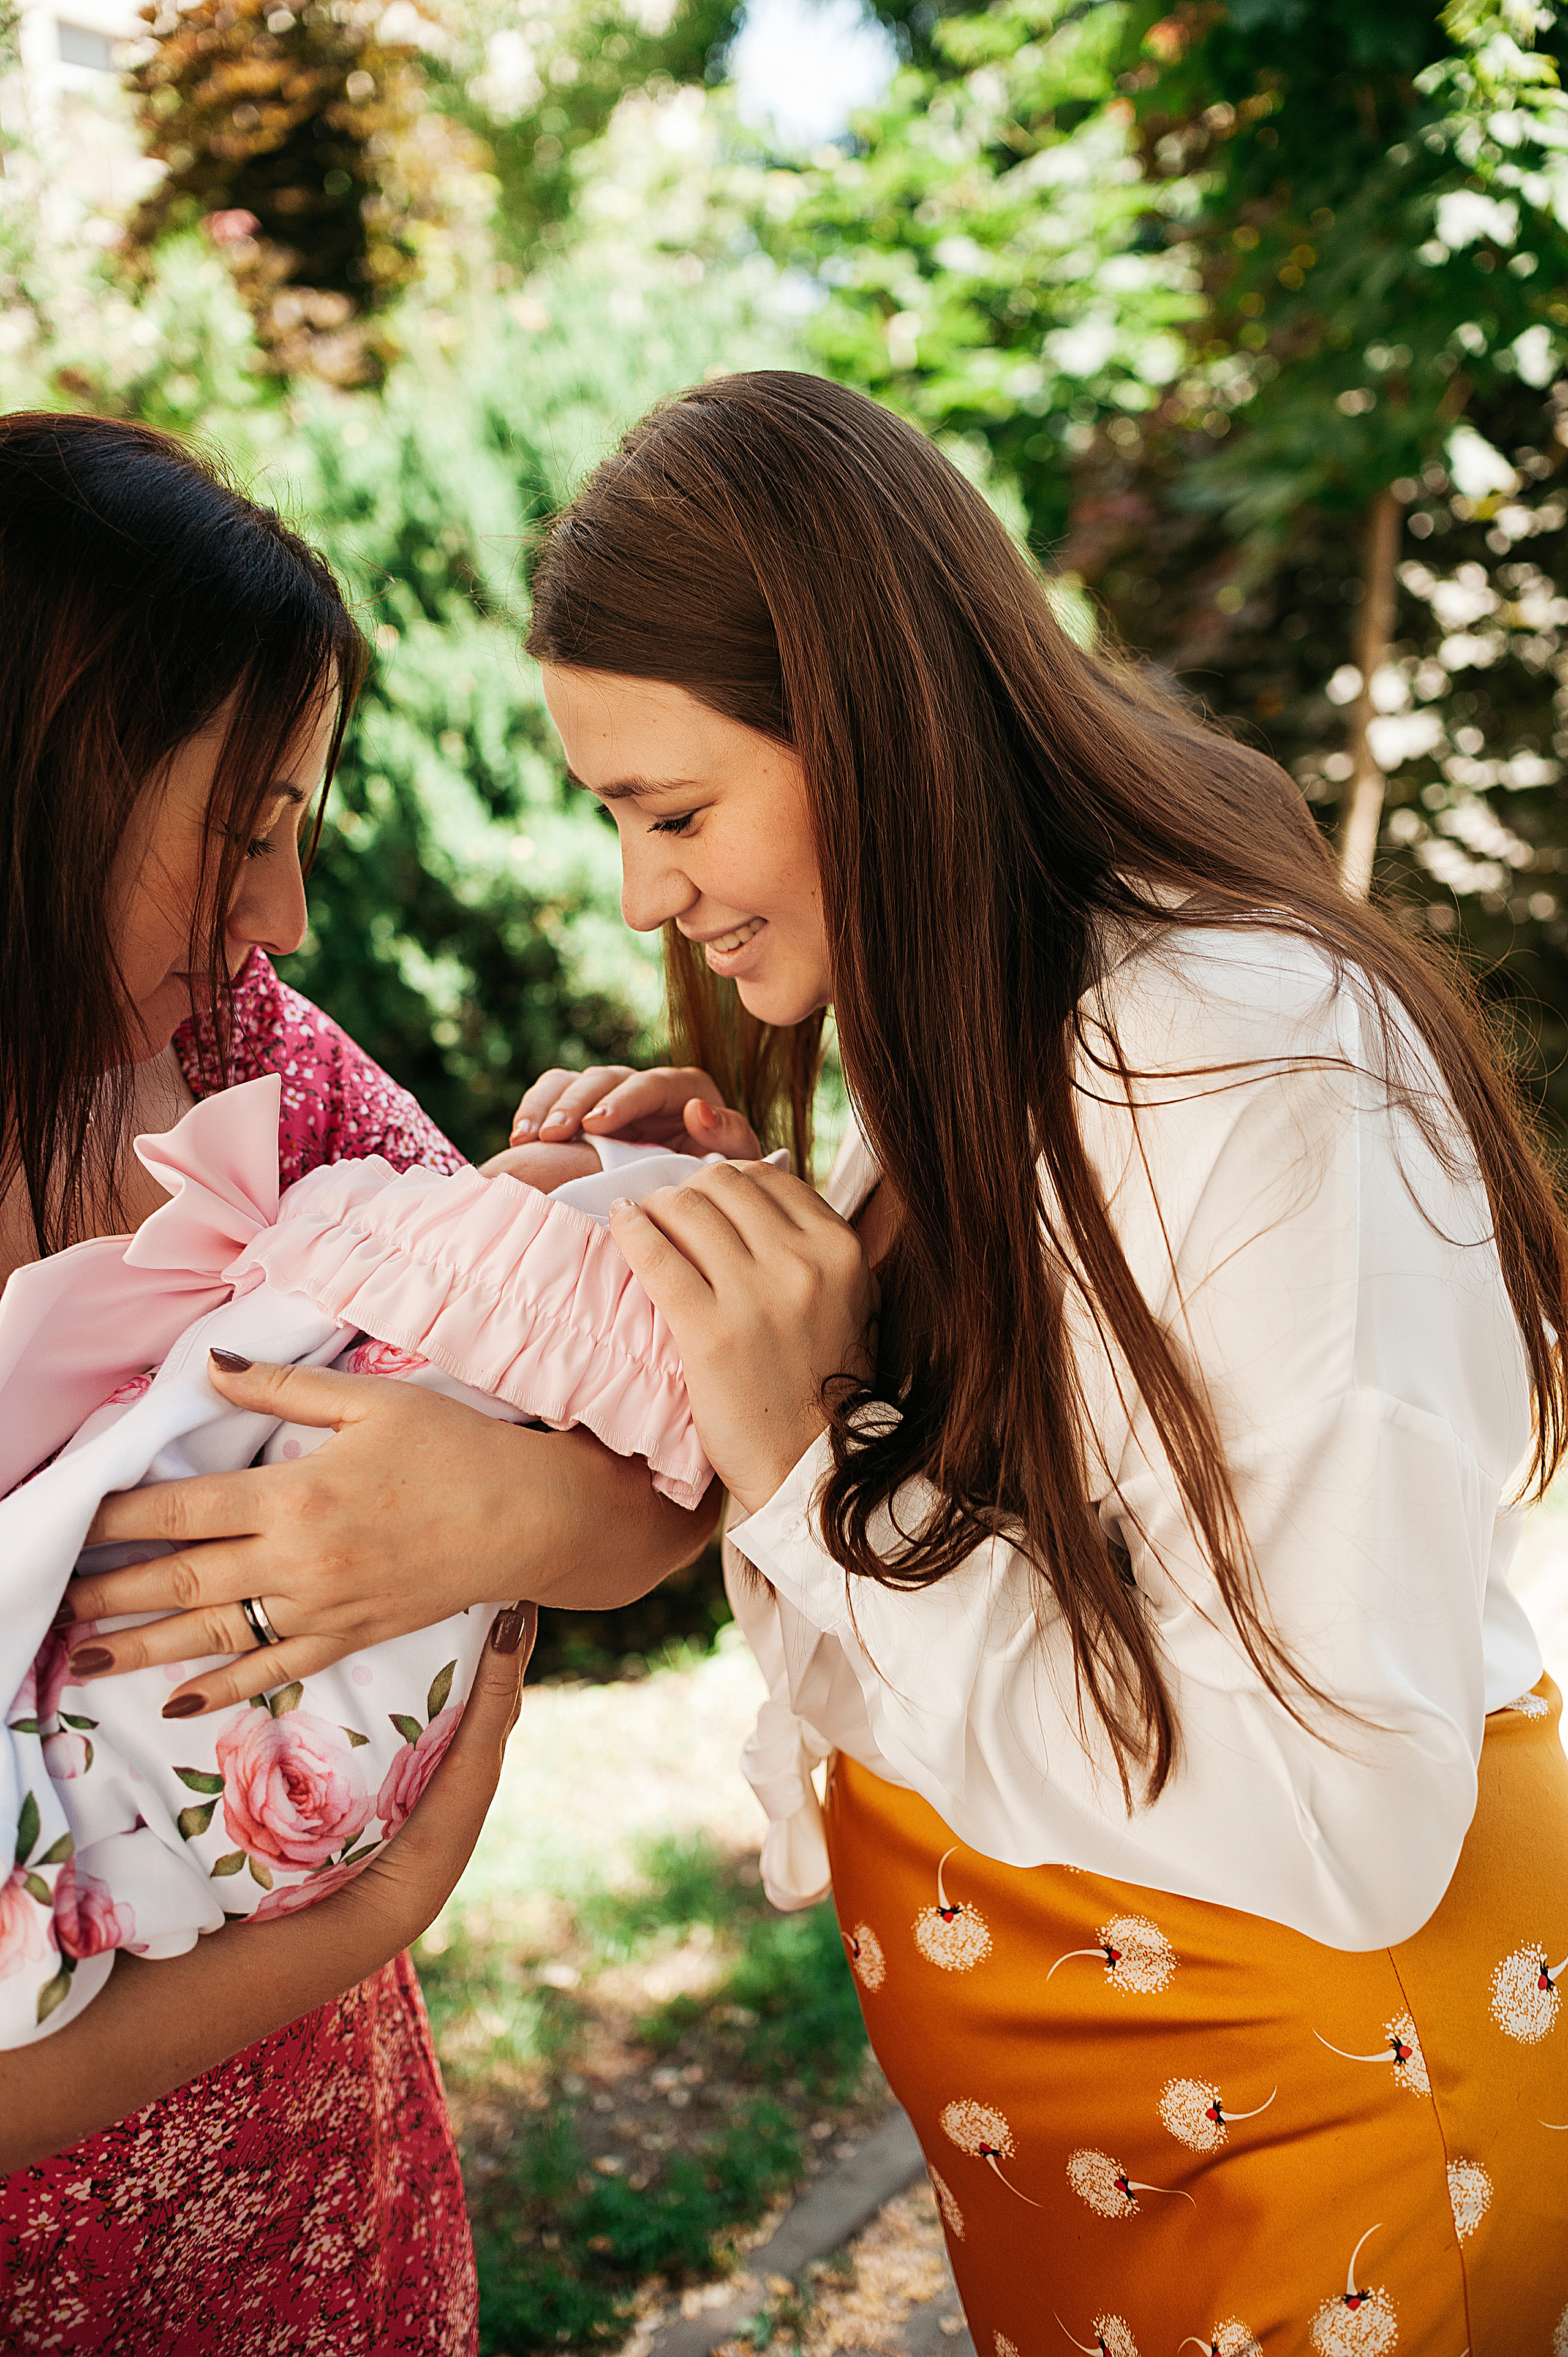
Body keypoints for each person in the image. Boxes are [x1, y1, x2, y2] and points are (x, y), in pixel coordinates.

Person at [507, 373, 1568, 2347]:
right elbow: (986, 1583)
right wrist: (761, 1268)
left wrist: (806, 1451)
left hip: (1323, 2150)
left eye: (676, 812)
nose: (648, 891)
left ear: (872, 727)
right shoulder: (973, 1051)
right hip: (1106, 2170)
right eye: (617, 821)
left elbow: (1336, 1814)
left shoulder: (1249, 1066)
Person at [0, 411, 716, 2351]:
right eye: (246, 830)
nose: (284, 916)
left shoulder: (255, 1056)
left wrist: (518, 1506)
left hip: (330, 2213)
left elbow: (641, 1454)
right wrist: (370, 1924)